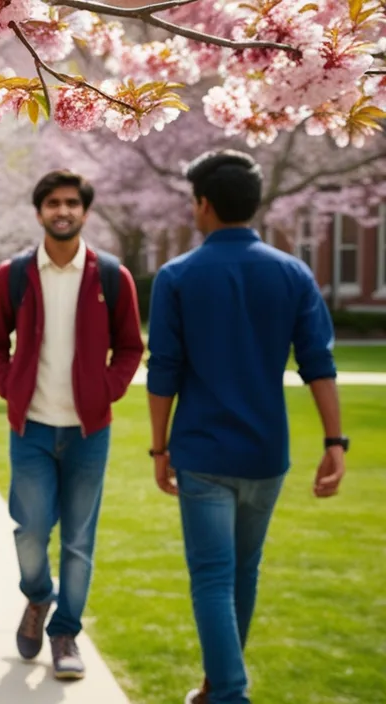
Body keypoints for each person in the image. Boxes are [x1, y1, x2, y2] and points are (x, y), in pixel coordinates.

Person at [146, 150, 346, 704]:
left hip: (202, 455)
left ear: (204, 204)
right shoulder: (293, 273)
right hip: (265, 456)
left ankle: (229, 692)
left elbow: (163, 372)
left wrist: (158, 448)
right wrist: (334, 442)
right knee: (243, 572)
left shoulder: (177, 276)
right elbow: (318, 364)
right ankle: (216, 686)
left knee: (212, 576)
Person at [0, 170, 144, 679]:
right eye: (53, 203)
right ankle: (37, 597)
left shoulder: (113, 276)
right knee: (29, 532)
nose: (63, 210)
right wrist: (13, 388)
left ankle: (65, 632)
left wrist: (105, 391)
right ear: (40, 212)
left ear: (85, 212)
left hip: (88, 433)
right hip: (31, 428)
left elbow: (131, 347)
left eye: (72, 203)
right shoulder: (15, 274)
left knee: (78, 540)